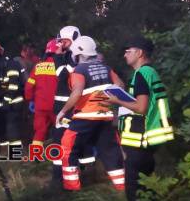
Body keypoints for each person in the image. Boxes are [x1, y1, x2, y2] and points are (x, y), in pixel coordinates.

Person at [105, 36, 174, 201]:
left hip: (142, 139)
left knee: (134, 187)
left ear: (140, 53)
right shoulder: (150, 73)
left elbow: (141, 107)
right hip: (149, 137)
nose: (125, 54)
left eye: (128, 51)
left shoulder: (142, 74)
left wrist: (117, 101)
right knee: (145, 182)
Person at [56, 36, 126, 192]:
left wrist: (63, 111)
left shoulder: (79, 70)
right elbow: (120, 85)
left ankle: (72, 188)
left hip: (85, 116)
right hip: (106, 116)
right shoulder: (106, 68)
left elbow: (76, 93)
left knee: (67, 146)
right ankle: (122, 187)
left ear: (78, 53)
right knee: (110, 150)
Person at [50, 26, 95, 187]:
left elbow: (62, 75)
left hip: (68, 106)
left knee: (62, 139)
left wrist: (57, 57)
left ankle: (60, 178)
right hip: (68, 105)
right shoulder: (74, 56)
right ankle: (84, 173)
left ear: (74, 39)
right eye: (60, 41)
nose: (61, 44)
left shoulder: (74, 58)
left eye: (65, 41)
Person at [24, 39, 60, 147]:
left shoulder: (38, 66)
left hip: (40, 105)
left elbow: (29, 85)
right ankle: (60, 153)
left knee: (39, 131)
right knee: (61, 129)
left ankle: (36, 154)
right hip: (56, 105)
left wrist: (30, 100)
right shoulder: (61, 66)